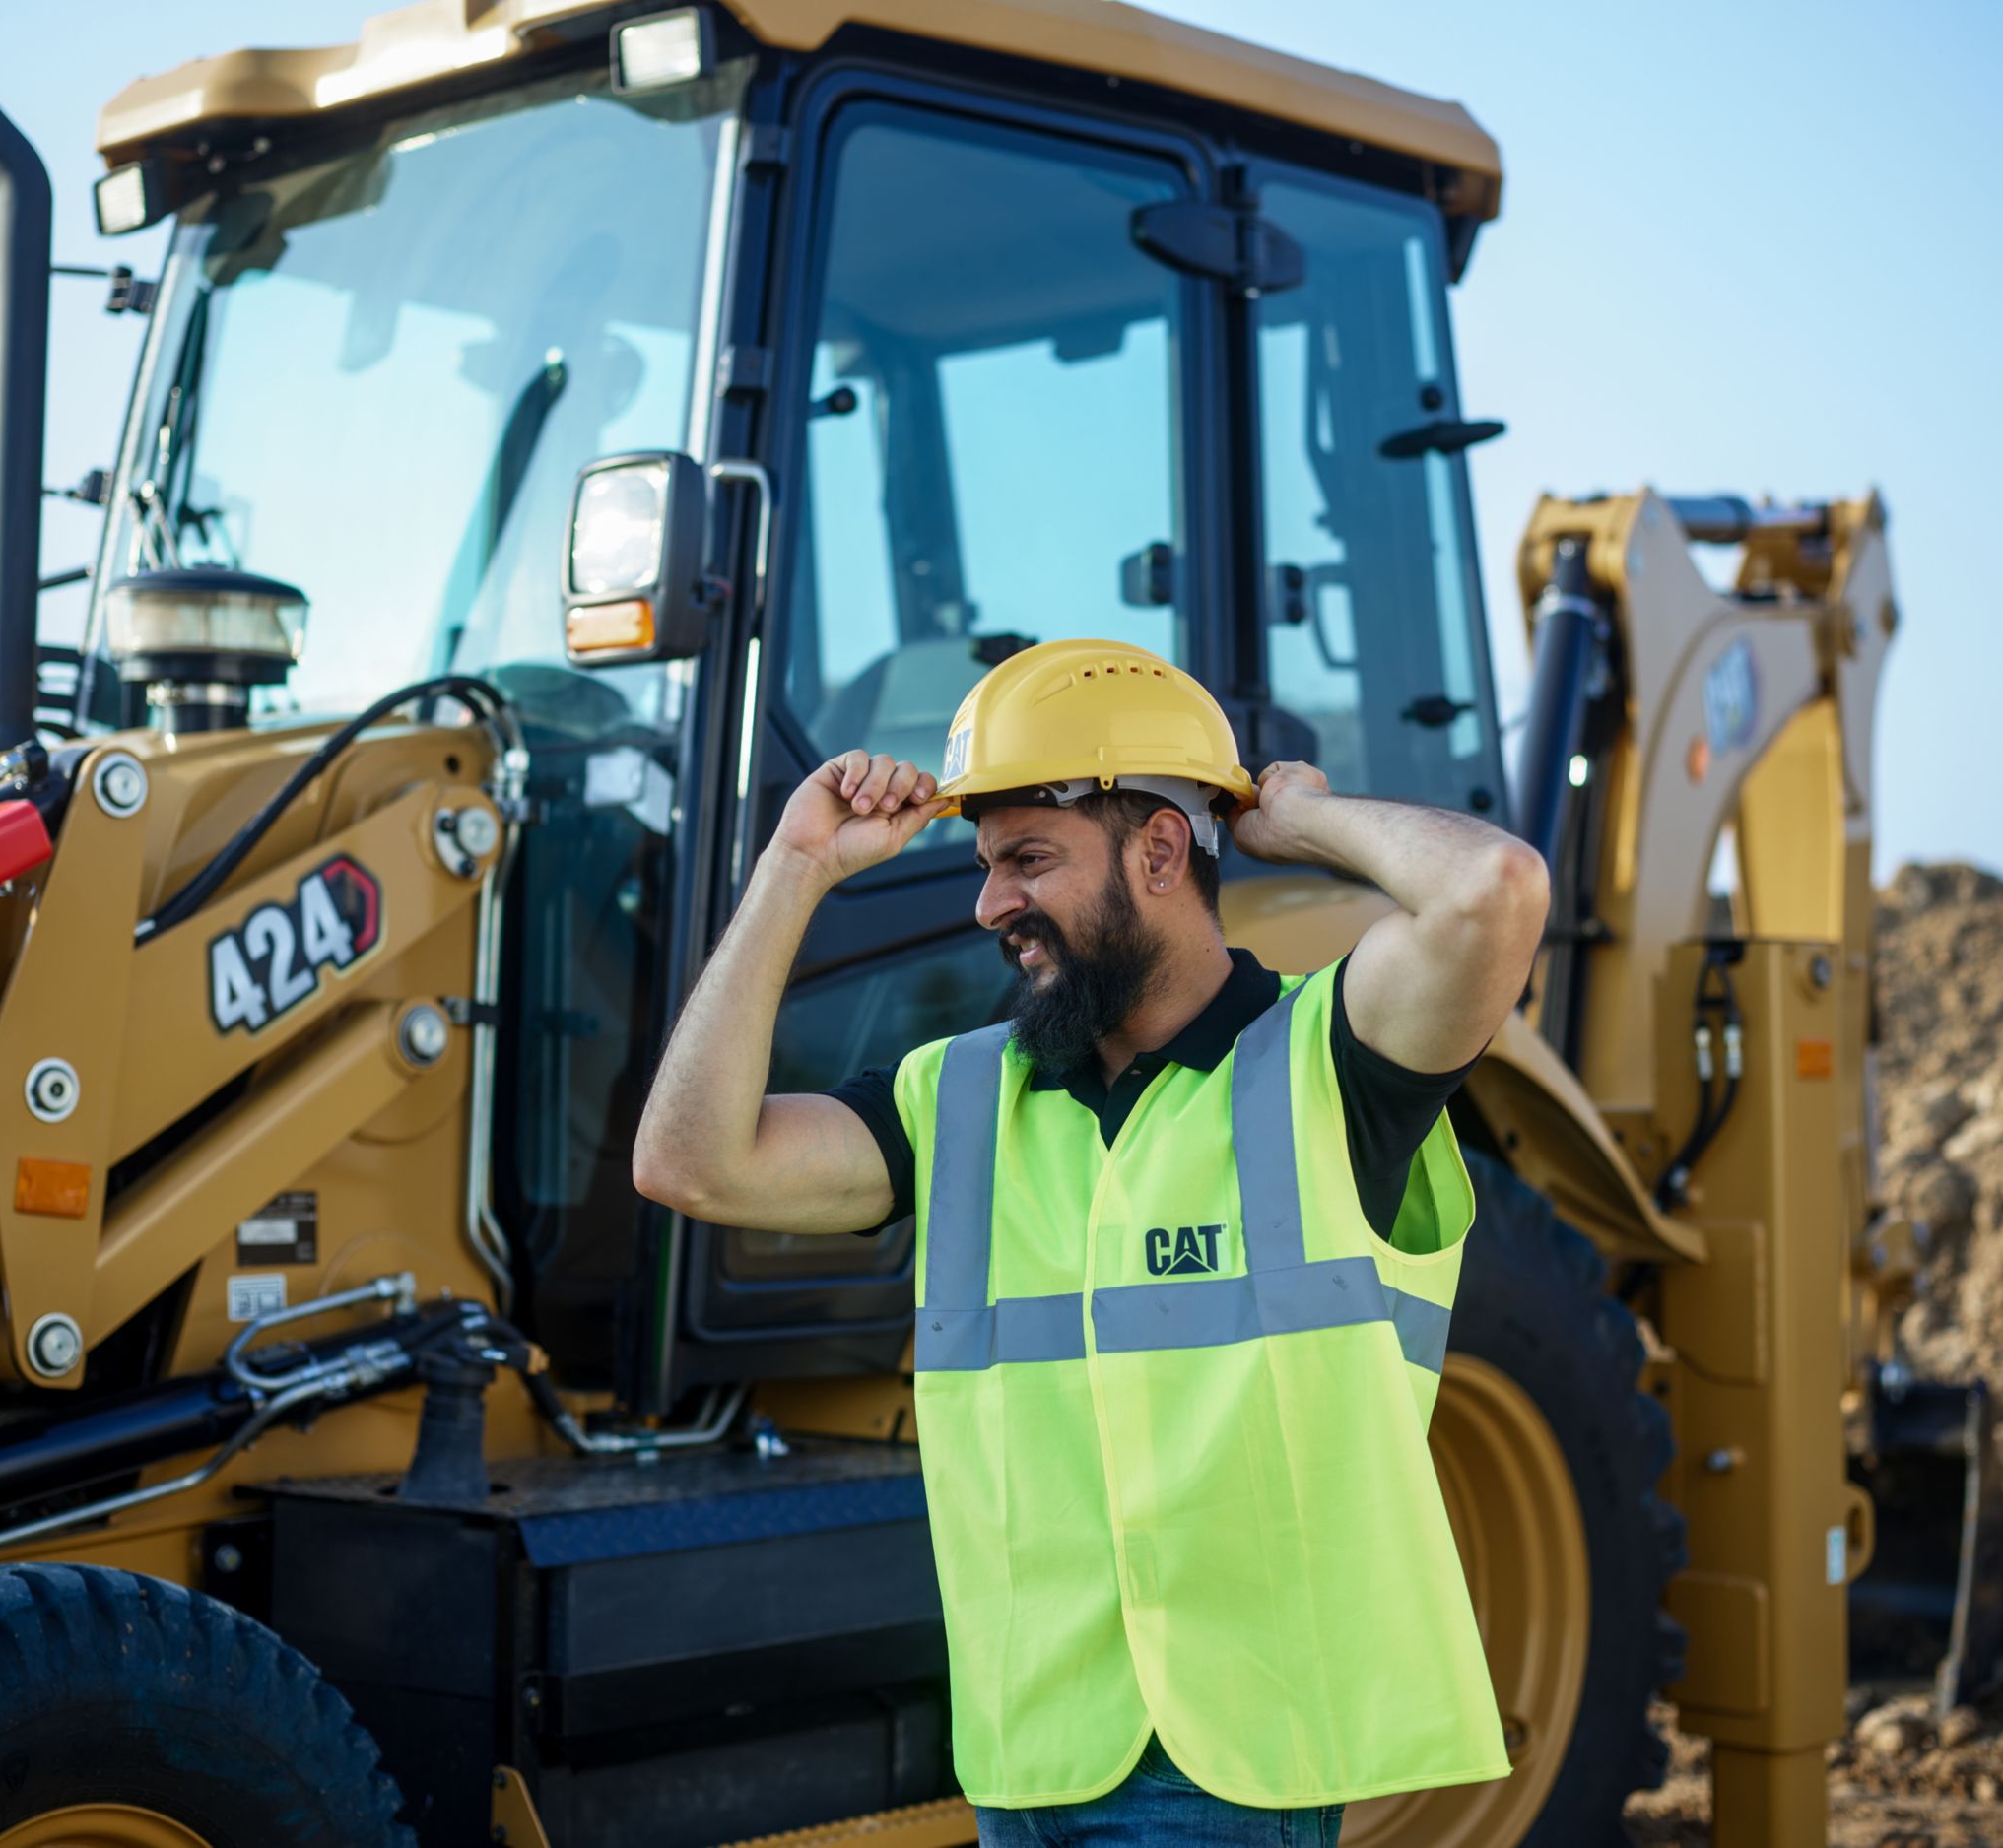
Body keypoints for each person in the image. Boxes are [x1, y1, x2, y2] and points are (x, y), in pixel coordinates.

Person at [634, 639, 1548, 1847]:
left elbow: (1494, 889)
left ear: (1161, 852)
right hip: (1031, 1758)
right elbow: (687, 1160)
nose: (989, 903)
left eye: (1027, 860)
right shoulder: (956, 1099)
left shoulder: (1329, 1063)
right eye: (986, 864)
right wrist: (795, 870)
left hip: (1232, 1765)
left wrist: (1303, 819)